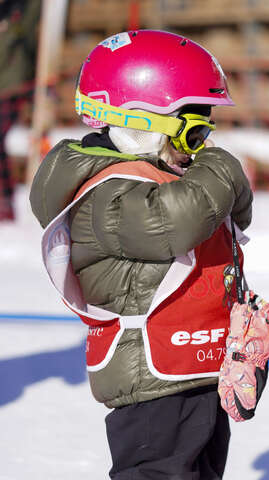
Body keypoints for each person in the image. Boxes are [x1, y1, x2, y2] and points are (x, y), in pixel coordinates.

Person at [30, 30, 253, 479]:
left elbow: (238, 212)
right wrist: (223, 167)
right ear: (138, 123)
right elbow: (173, 223)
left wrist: (219, 172)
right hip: (149, 385)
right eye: (193, 134)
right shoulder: (105, 195)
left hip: (193, 371)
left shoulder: (166, 177)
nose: (201, 149)